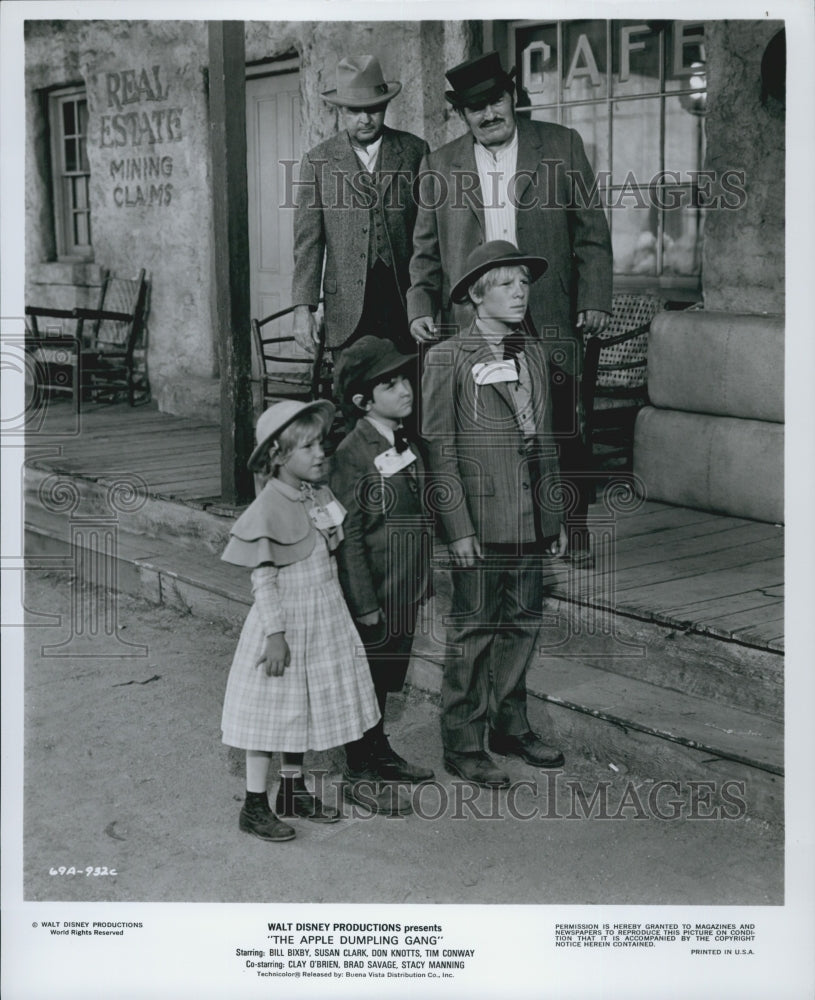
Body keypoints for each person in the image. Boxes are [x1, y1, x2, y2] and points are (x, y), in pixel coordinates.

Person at [408, 51, 612, 565]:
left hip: (548, 310)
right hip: (475, 321)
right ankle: (502, 529)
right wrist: (419, 304)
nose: (489, 114)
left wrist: (593, 300)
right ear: (462, 114)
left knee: (564, 422)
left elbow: (591, 234)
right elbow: (425, 251)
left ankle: (573, 525)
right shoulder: (439, 164)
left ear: (512, 97)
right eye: (475, 108)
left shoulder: (561, 146)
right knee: (488, 429)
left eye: (495, 100)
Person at [421, 241, 568, 788]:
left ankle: (511, 725)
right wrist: (457, 527)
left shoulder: (531, 353)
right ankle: (463, 741)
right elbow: (440, 447)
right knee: (473, 631)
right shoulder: (448, 357)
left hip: (530, 519)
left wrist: (551, 520)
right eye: (506, 284)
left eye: (524, 284)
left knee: (523, 626)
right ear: (476, 297)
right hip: (480, 524)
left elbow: (546, 442)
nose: (520, 292)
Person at [220, 400, 381, 841]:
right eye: (307, 446)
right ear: (277, 456)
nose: (320, 453)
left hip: (323, 617)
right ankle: (254, 805)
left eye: (320, 443)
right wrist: (275, 634)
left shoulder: (319, 494)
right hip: (287, 624)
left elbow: (331, 549)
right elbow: (264, 579)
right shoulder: (269, 508)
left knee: (300, 710)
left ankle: (293, 789)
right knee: (270, 716)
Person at [330, 337, 435, 796]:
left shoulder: (404, 439)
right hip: (375, 590)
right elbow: (349, 536)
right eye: (389, 385)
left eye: (404, 379)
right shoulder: (353, 452)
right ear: (362, 401)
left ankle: (379, 747)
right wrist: (365, 603)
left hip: (404, 586)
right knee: (367, 674)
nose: (404, 389)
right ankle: (359, 762)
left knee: (388, 673)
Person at [291, 54, 429, 357]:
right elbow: (308, 243)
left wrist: (429, 301)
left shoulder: (414, 151)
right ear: (341, 110)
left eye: (373, 109)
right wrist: (303, 308)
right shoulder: (318, 161)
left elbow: (429, 234)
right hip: (348, 309)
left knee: (408, 394)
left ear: (386, 106)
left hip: (405, 301)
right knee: (354, 394)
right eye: (355, 111)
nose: (365, 119)